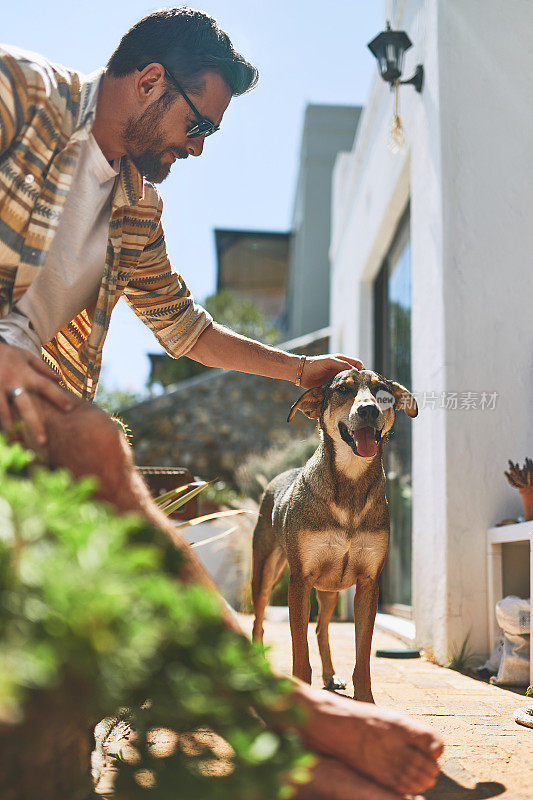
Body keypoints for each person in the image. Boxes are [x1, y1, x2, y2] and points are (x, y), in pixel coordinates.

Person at [0, 8, 443, 797]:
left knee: (109, 496)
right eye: (195, 122)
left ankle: (276, 748)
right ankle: (282, 717)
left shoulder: (134, 202)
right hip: (23, 392)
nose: (197, 147)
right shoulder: (19, 94)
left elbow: (182, 326)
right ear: (147, 82)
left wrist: (298, 371)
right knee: (99, 446)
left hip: (27, 408)